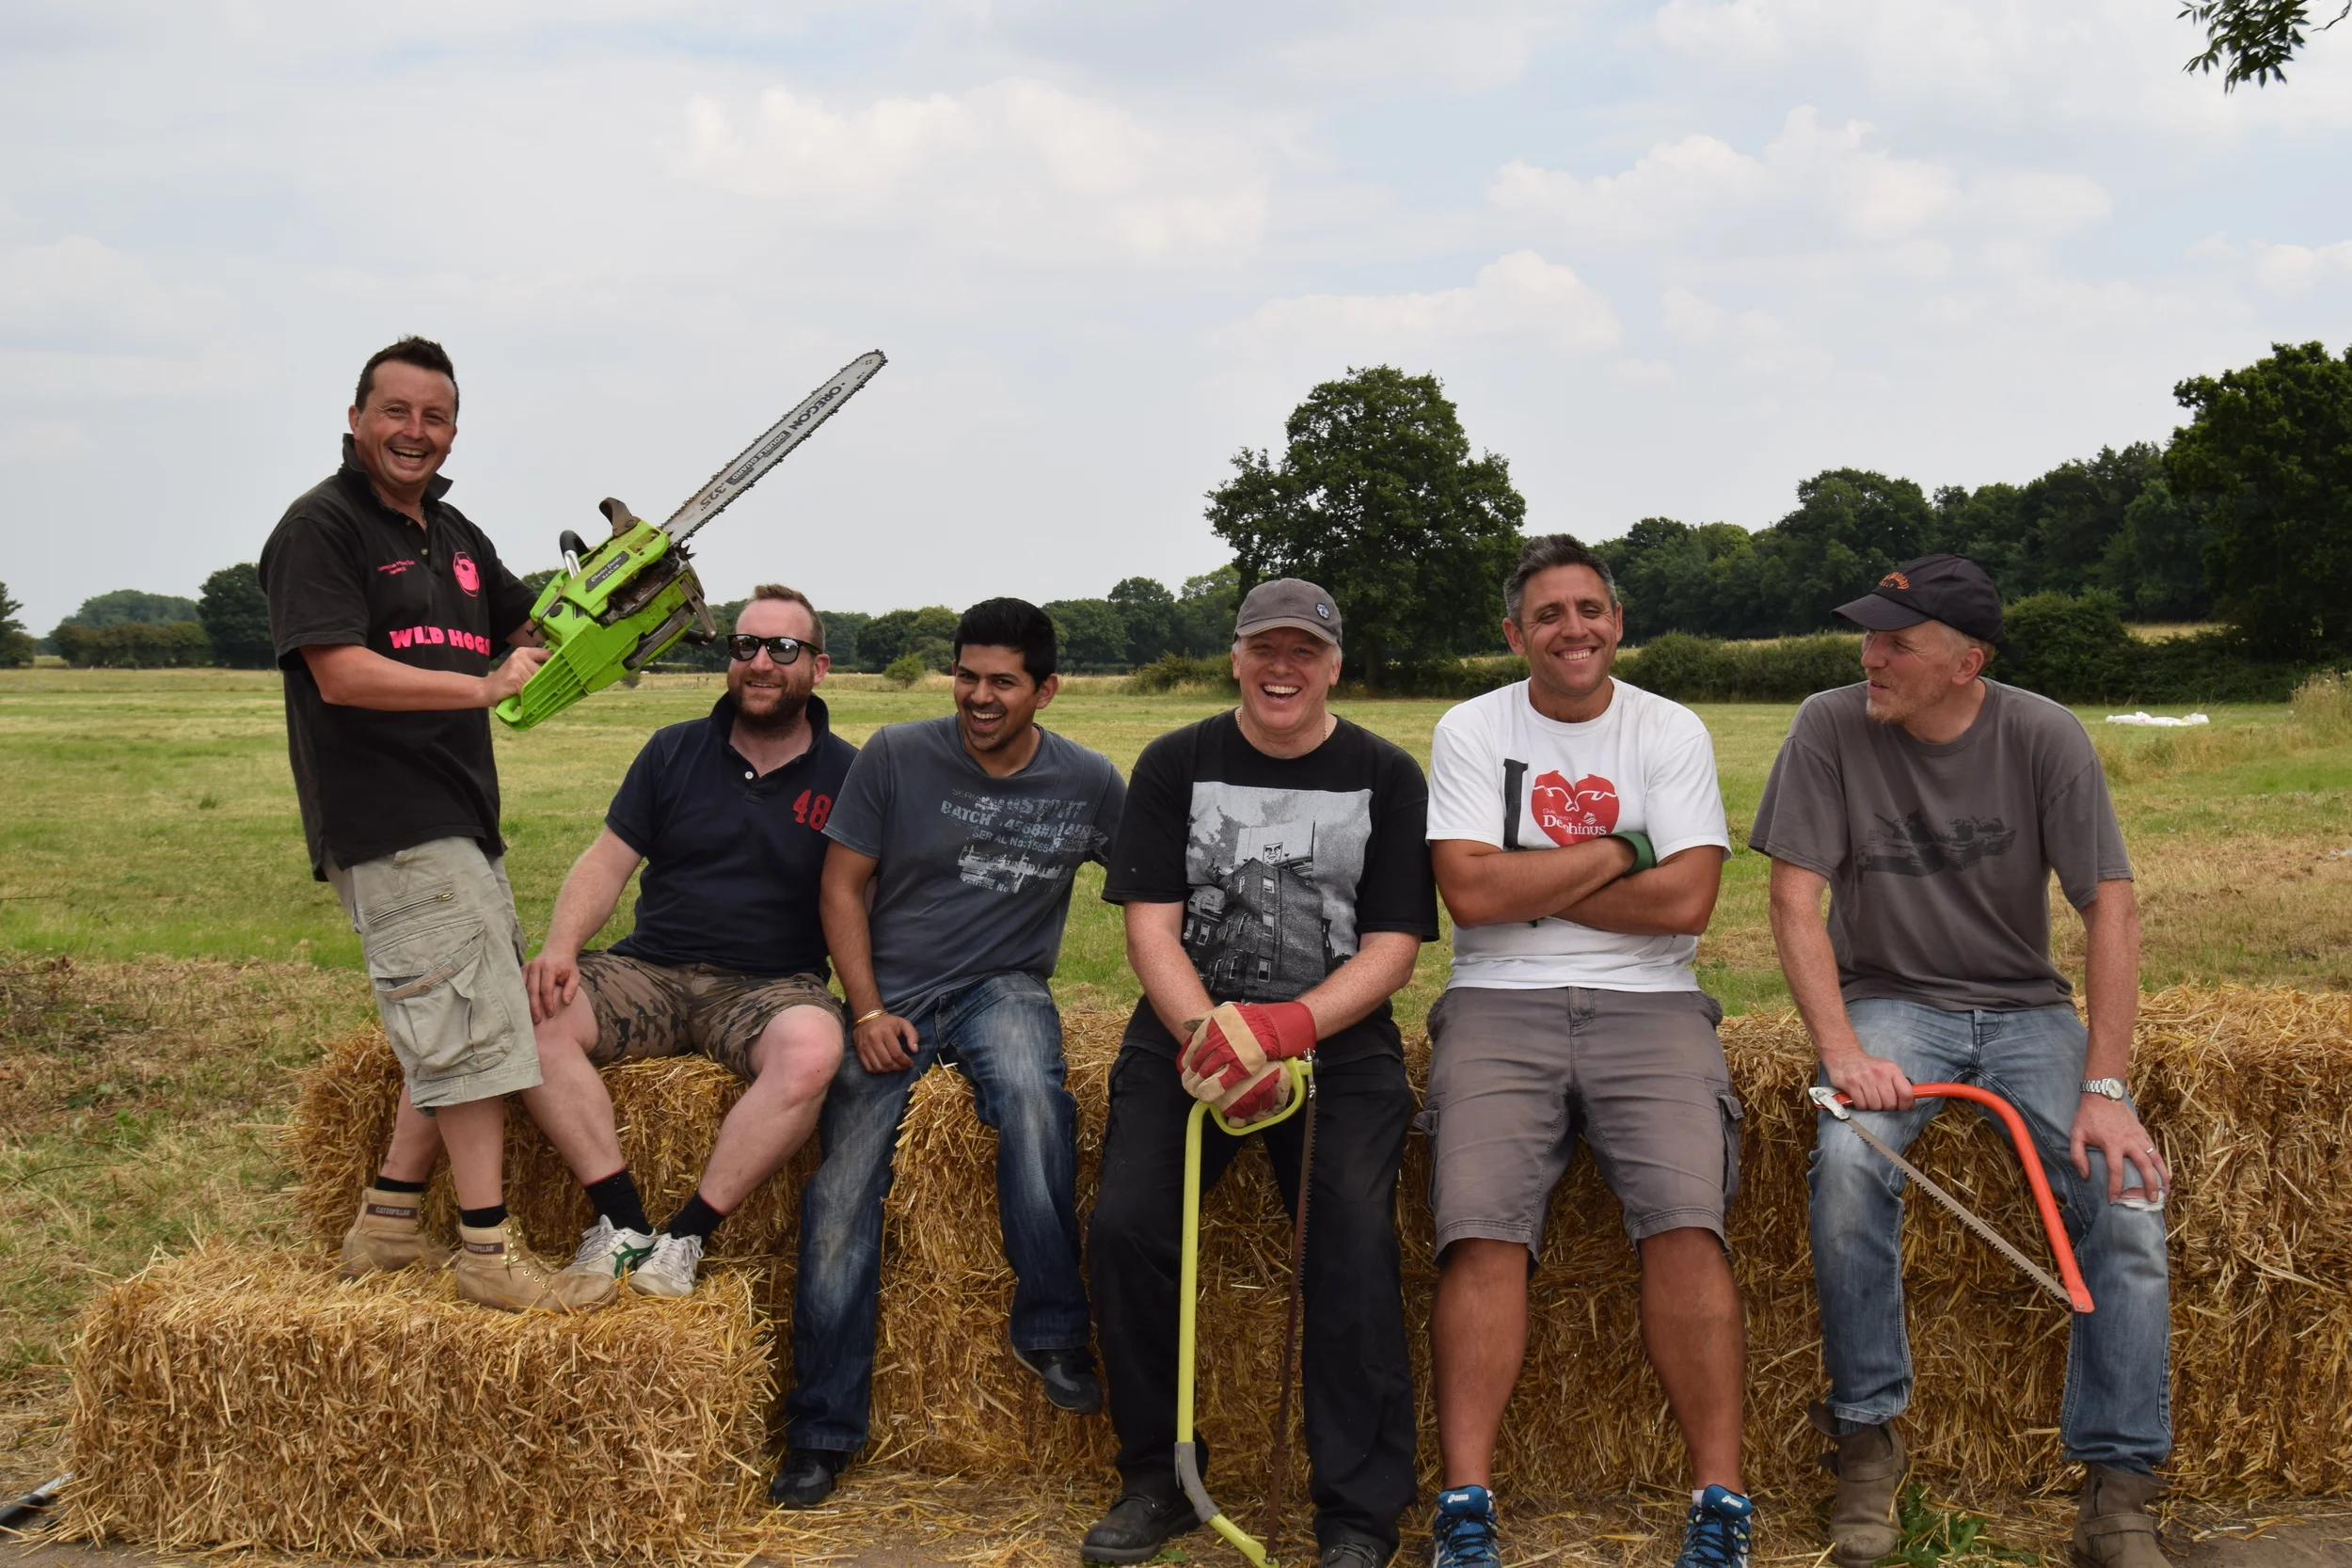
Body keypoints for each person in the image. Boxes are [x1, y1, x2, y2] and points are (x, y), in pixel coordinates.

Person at [1749, 555, 2170, 1568]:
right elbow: (1793, 899)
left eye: (1896, 642)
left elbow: (2109, 905)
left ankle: (2118, 1487)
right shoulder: (1827, 724)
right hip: (1889, 1001)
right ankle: (1865, 1439)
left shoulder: (2043, 734)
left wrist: (2106, 1087)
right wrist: (1842, 1051)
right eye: (1868, 635)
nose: (1869, 656)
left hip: (2027, 1010)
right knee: (1848, 1165)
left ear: (1966, 661)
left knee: (2127, 1196)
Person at [1081, 578, 1438, 1568]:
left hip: (1338, 1037)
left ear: (1334, 666)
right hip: (1188, 1026)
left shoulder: (1385, 773)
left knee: (1353, 1240)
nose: (1283, 668)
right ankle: (1157, 1479)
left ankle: (1357, 1515)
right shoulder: (1174, 761)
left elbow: (1394, 945)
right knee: (1126, 1227)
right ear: (1236, 657)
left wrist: (1287, 1028)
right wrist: (1215, 1041)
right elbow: (1151, 930)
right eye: (1264, 649)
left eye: (1304, 652)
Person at [259, 336, 611, 1313]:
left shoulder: (454, 533)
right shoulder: (320, 527)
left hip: (460, 815)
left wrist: (615, 598)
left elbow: (530, 629)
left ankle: (386, 1224)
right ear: (355, 418)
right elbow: (340, 672)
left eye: (436, 416)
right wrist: (481, 684)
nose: (416, 431)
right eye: (397, 411)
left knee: (464, 1015)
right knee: (472, 1033)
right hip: (389, 821)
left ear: (454, 430)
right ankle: (487, 1256)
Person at [1420, 535, 1751, 1568]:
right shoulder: (1472, 727)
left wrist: (1529, 874)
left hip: (1653, 1004)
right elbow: (1467, 895)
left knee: (1687, 1223)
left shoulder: (1668, 727)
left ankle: (1720, 1503)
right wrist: (1620, 850)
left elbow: (1686, 901)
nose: (1574, 629)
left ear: (1617, 620)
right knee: (1480, 1231)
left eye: (1590, 609)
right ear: (1514, 632)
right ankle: (1465, 1507)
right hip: (1496, 998)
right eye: (1549, 614)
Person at [772, 597, 1127, 1508]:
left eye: (1002, 680)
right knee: (841, 1196)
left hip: (1003, 985)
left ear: (1046, 689)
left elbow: (1154, 885)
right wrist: (865, 1009)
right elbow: (841, 887)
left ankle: (1052, 1329)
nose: (978, 695)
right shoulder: (895, 754)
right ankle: (820, 1430)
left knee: (1035, 1098)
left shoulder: (1089, 780)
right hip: (893, 993)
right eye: (966, 674)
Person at [518, 584, 856, 1299]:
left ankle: (685, 1236)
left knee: (813, 1051)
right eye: (745, 645)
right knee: (531, 1011)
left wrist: (876, 1003)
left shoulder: (851, 775)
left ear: (818, 667)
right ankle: (622, 1223)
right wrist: (560, 947)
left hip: (769, 986)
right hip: (652, 970)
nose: (760, 662)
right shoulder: (673, 749)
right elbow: (608, 860)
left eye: (783, 648)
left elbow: (866, 899)